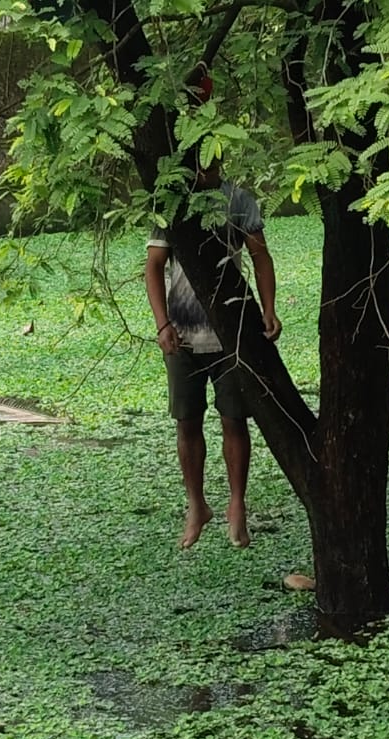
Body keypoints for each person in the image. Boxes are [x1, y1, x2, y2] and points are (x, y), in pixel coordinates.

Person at [145, 168, 282, 549]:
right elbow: (154, 267)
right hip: (183, 336)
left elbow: (260, 256)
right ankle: (197, 505)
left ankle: (237, 506)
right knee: (187, 422)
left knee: (234, 420)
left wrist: (269, 309)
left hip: (231, 333)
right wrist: (162, 325)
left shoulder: (238, 200)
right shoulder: (171, 203)